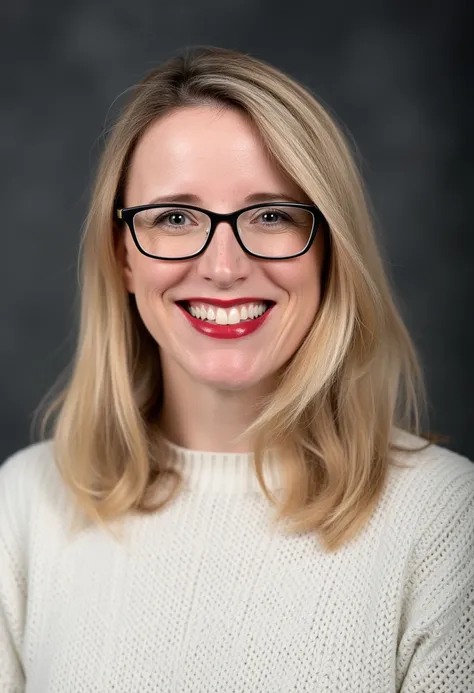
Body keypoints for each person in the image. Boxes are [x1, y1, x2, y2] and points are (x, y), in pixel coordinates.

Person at [0, 45, 472, 693]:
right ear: (124, 258)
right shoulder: (23, 507)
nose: (224, 267)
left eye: (272, 215)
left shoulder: (446, 520)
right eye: (174, 217)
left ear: (331, 249)